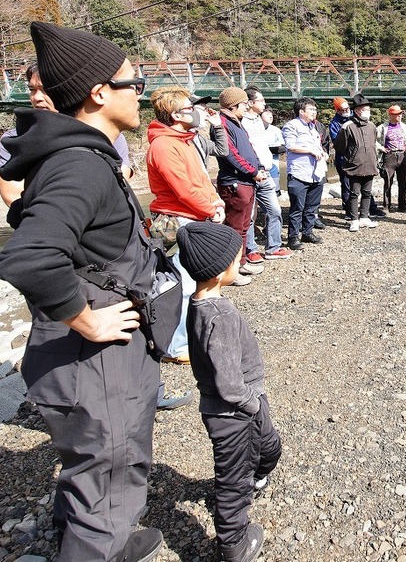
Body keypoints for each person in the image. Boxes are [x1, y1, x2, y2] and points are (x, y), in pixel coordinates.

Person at [0, 21, 164, 562]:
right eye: (133, 84)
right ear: (98, 94)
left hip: (87, 359)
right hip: (92, 359)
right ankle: (98, 544)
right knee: (109, 467)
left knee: (100, 468)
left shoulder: (74, 154)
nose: (140, 93)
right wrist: (87, 321)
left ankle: (111, 535)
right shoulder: (79, 164)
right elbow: (29, 257)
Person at [175, 221, 281, 562]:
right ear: (221, 270)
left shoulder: (199, 304)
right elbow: (227, 381)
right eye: (235, 259)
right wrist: (250, 402)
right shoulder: (219, 314)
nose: (239, 263)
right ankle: (234, 545)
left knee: (269, 446)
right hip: (232, 412)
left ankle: (256, 478)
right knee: (232, 479)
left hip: (245, 402)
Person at [146, 86, 233, 368]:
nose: (196, 112)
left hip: (194, 217)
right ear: (175, 115)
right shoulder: (163, 145)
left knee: (194, 281)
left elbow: (200, 181)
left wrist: (215, 201)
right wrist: (211, 208)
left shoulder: (182, 140)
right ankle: (175, 345)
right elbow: (182, 189)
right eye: (189, 108)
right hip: (179, 220)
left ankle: (188, 338)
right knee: (181, 284)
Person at [0, 64, 133, 207]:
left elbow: (119, 186)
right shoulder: (14, 139)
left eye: (45, 90)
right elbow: (11, 195)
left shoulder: (108, 135)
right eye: (32, 90)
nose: (37, 97)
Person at [216, 88, 279, 270]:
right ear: (233, 104)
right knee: (235, 228)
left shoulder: (236, 121)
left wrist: (258, 166)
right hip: (235, 182)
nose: (246, 107)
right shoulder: (222, 123)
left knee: (243, 226)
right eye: (244, 104)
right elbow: (231, 155)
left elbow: (249, 149)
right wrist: (253, 172)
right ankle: (232, 268)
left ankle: (241, 263)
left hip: (247, 181)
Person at [240, 87, 292, 259]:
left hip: (266, 172)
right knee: (250, 215)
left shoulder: (258, 121)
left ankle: (273, 247)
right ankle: (250, 250)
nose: (264, 103)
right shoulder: (240, 121)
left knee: (275, 211)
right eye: (261, 100)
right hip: (249, 174)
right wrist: (252, 170)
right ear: (250, 102)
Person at [282, 97, 327, 250]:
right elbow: (291, 146)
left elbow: (318, 146)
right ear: (301, 112)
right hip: (299, 172)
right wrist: (310, 151)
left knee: (312, 206)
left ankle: (307, 232)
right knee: (297, 207)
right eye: (311, 109)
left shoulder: (312, 127)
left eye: (315, 109)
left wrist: (322, 152)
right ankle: (293, 237)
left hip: (316, 172)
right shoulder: (291, 126)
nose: (315, 112)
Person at [334, 93, 380, 232]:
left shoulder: (372, 126)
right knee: (354, 193)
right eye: (364, 109)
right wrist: (352, 156)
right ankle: (354, 220)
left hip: (370, 163)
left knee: (367, 192)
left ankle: (364, 217)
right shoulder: (348, 126)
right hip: (354, 165)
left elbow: (373, 143)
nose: (367, 111)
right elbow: (339, 146)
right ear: (356, 110)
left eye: (368, 108)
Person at [377, 104, 406, 213]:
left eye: (400, 114)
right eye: (397, 114)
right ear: (391, 115)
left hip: (403, 155)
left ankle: (402, 205)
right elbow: (373, 139)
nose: (399, 116)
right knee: (388, 181)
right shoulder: (383, 127)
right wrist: (381, 148)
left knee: (403, 182)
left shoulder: (404, 126)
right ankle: (386, 206)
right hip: (389, 156)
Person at [260, 106, 285, 196]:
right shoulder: (253, 129)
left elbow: (283, 147)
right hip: (257, 167)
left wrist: (265, 149)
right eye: (267, 113)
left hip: (273, 165)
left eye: (271, 113)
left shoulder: (275, 130)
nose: (271, 116)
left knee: (274, 192)